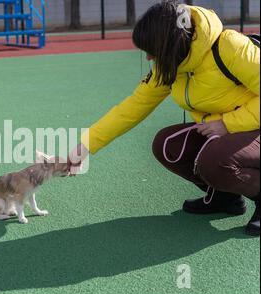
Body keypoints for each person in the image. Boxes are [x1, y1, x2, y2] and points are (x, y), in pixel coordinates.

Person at [68, 0, 260, 236]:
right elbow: (134, 106)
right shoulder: (170, 64)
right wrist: (86, 145)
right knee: (167, 146)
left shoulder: (229, 46)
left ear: (172, 44)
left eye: (152, 50)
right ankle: (225, 198)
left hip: (251, 128)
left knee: (214, 161)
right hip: (221, 131)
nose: (149, 58)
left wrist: (227, 124)